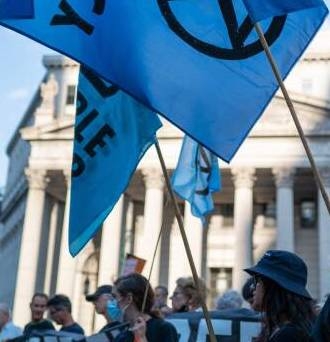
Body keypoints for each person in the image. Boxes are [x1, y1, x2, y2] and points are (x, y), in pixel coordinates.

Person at [244, 250, 315, 341]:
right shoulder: (284, 328)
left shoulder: (288, 335)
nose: (252, 287)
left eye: (256, 280)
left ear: (273, 288)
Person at [111, 273, 178, 342]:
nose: (111, 302)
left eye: (115, 297)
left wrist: (141, 338)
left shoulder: (164, 329)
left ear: (129, 299)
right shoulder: (121, 336)